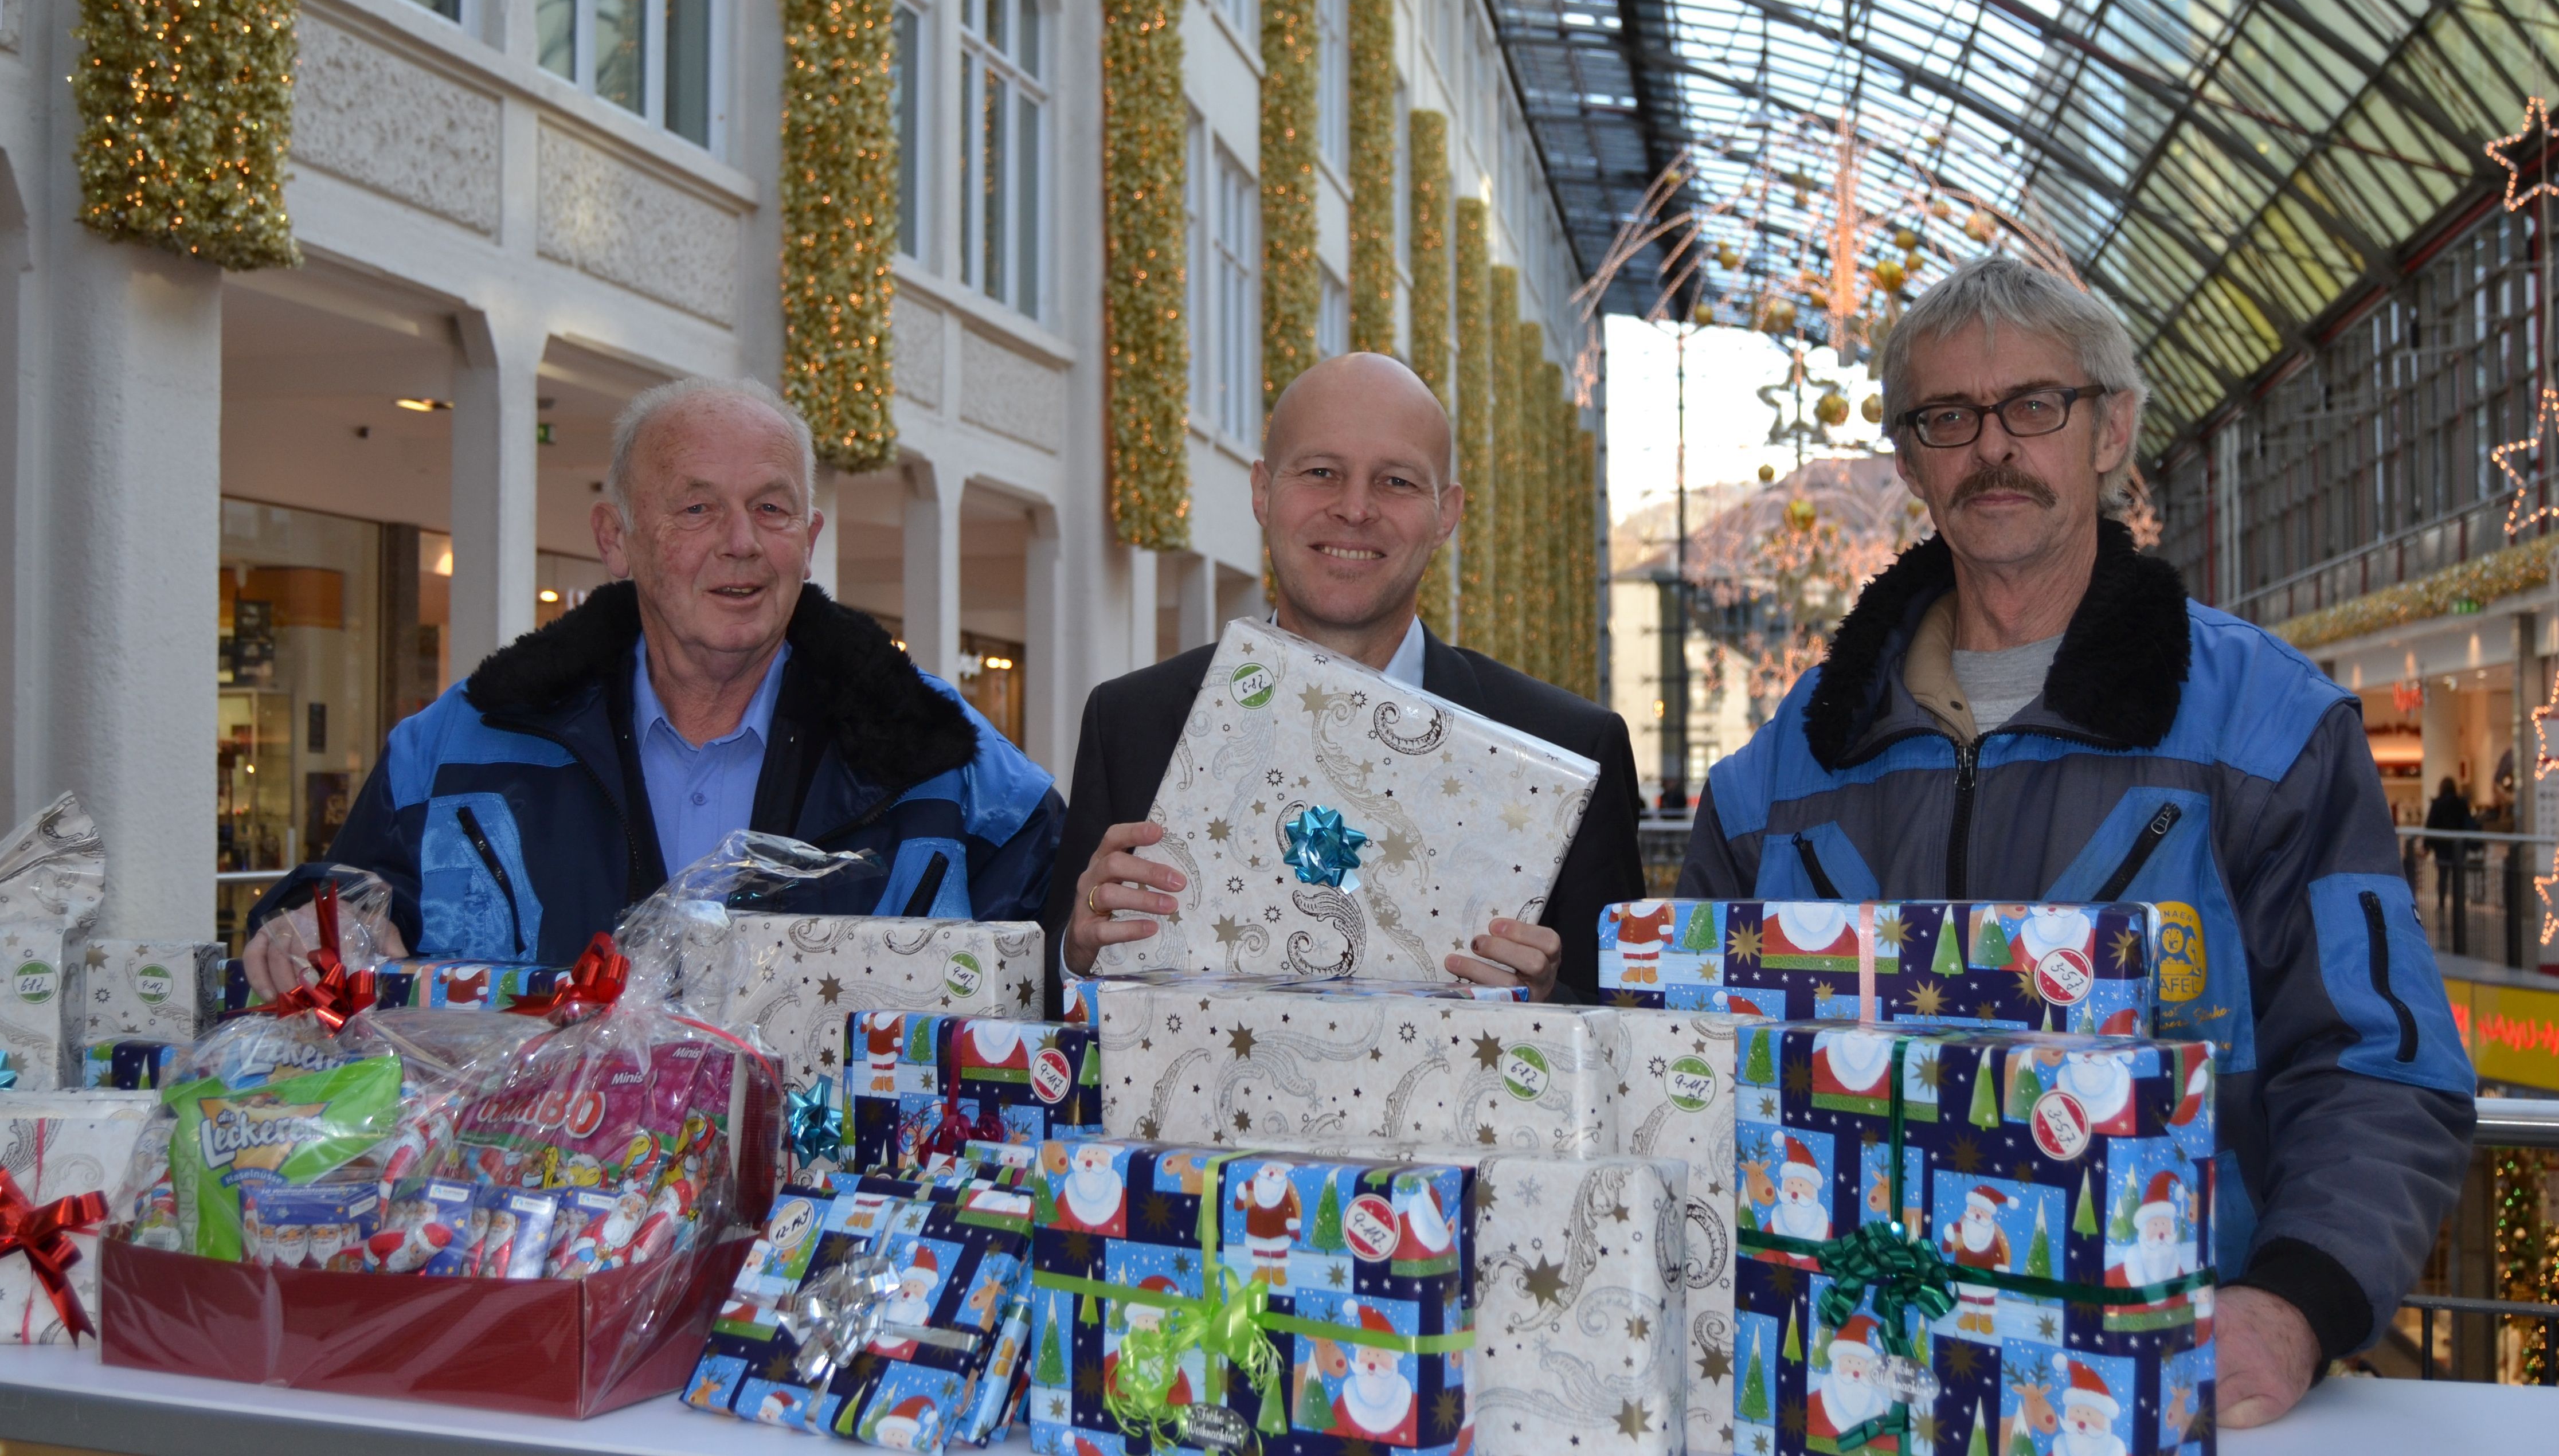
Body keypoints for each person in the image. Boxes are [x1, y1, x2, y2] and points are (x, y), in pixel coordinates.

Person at [1677, 257, 2474, 1428]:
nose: (1993, 447)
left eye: (2037, 406)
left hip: (2159, 1378)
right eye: (1950, 417)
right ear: (1910, 461)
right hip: (1846, 1383)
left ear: (2114, 431)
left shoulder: (2264, 726)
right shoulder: (1779, 773)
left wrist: (2299, 1300)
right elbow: (1683, 1066)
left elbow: (2375, 1057)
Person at [242, 378, 1063, 996]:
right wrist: (313, 926)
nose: (740, 543)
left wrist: (1086, 943)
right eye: (697, 509)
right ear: (617, 539)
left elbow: (1059, 958)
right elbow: (350, 902)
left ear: (808, 542)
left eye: (771, 509)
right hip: (536, 1204)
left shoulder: (948, 768)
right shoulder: (461, 748)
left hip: (819, 1217)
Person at [1042, 353, 1645, 1002]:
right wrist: (1076, 956)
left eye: (1397, 482)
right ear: (1262, 491)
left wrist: (1548, 1002)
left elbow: (1625, 1036)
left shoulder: (1570, 756)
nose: (1355, 509)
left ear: (1447, 514)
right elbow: (1055, 1012)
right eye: (1321, 472)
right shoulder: (1130, 722)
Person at [2421, 776, 2472, 913]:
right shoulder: (2461, 803)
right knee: (2458, 877)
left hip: (2442, 847)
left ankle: (2442, 904)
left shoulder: (2437, 804)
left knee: (2443, 876)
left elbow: (2431, 825)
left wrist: (2426, 846)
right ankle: (2458, 905)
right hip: (2459, 847)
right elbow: (2467, 823)